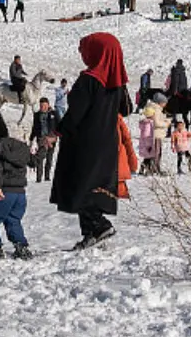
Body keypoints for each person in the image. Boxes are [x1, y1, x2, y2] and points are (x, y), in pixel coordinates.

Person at [51, 32, 135, 249]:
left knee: (81, 185)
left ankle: (99, 226)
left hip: (85, 142)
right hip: (107, 143)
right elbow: (127, 109)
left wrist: (56, 132)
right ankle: (91, 233)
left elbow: (75, 114)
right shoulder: (115, 82)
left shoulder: (89, 79)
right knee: (94, 186)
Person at [0, 113, 33, 260]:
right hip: (20, 193)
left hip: (5, 191)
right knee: (13, 219)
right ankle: (21, 247)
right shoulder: (19, 146)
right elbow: (33, 161)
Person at [29, 98, 60, 183]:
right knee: (40, 157)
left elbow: (59, 125)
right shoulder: (37, 115)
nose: (43, 107)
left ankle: (47, 177)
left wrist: (58, 136)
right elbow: (34, 127)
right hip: (41, 138)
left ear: (48, 105)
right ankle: (38, 178)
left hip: (52, 138)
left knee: (49, 158)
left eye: (44, 106)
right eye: (41, 106)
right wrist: (31, 139)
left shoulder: (54, 113)